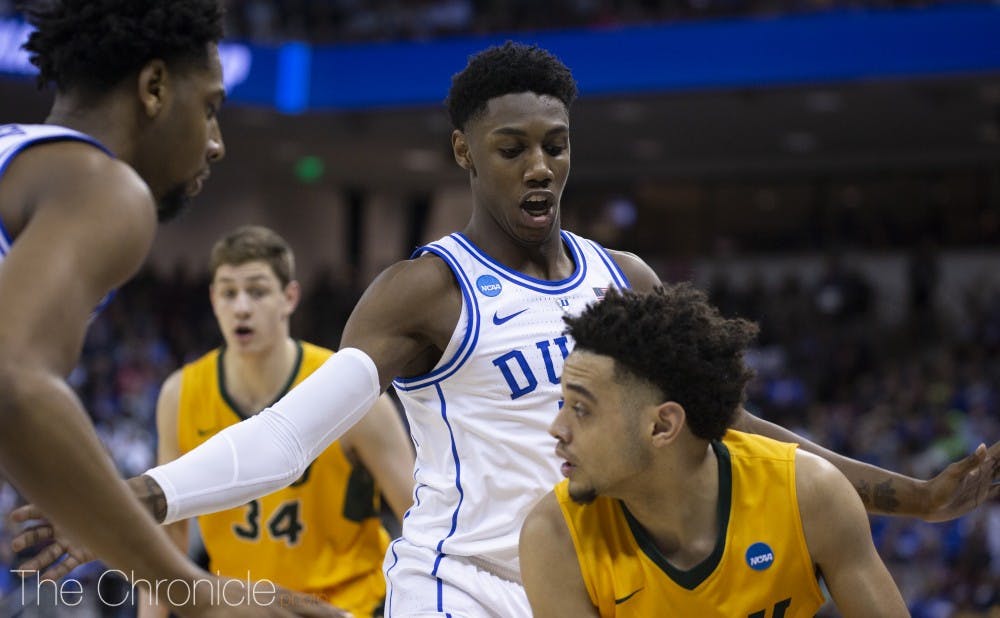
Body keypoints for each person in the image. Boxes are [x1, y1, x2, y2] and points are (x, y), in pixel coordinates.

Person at [15, 42, 999, 617]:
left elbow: (730, 430)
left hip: (591, 584)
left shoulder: (625, 278)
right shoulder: (424, 293)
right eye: (511, 147)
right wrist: (143, 491)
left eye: (556, 147)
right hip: (463, 589)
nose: (539, 167)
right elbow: (288, 435)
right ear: (463, 153)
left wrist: (905, 496)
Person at [0, 1, 318, 615]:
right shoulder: (105, 187)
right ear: (154, 88)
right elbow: (14, 383)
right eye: (210, 108)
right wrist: (196, 593)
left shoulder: (18, 152)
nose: (217, 143)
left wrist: (92, 511)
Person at [518, 285, 909, 617]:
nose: (557, 428)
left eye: (581, 409)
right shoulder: (555, 537)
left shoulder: (807, 493)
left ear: (662, 426)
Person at [136, 226, 415, 617]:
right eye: (229, 293)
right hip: (243, 610)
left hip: (349, 606)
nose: (242, 307)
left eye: (257, 291)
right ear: (213, 300)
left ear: (289, 298)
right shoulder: (179, 395)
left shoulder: (346, 388)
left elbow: (418, 516)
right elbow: (169, 532)